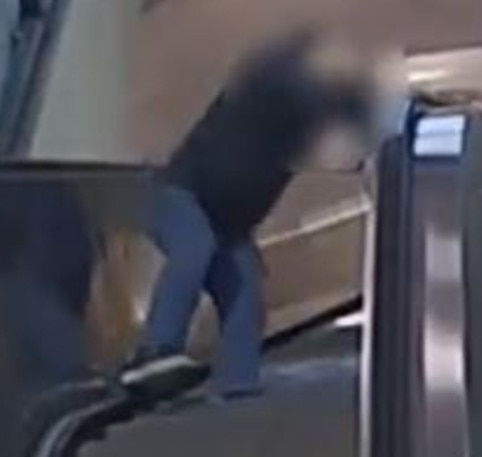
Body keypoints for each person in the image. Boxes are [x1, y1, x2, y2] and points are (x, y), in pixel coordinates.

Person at [120, 28, 401, 398]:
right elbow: (325, 124)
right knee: (193, 247)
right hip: (178, 196)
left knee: (244, 293)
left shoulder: (308, 113)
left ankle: (238, 381)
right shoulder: (272, 85)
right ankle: (154, 351)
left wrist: (384, 114)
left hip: (230, 226)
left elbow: (350, 143)